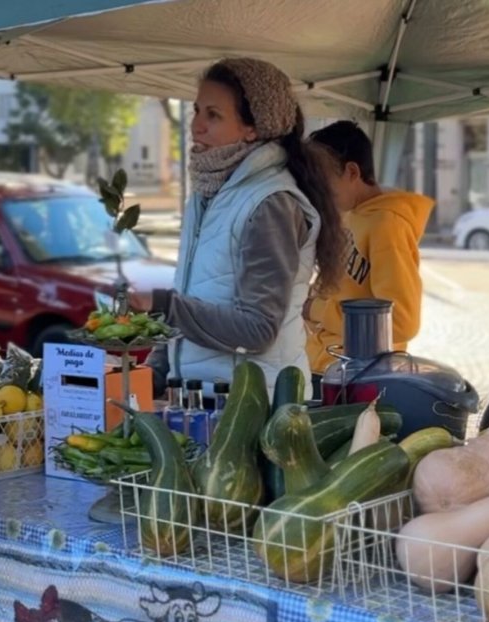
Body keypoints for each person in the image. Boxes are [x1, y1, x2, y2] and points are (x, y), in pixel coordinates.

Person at [130, 57, 345, 401]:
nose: (196, 126)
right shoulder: (208, 195)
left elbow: (257, 329)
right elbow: (196, 298)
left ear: (253, 128)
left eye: (213, 115)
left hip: (257, 407)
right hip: (202, 400)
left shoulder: (270, 203)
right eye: (196, 111)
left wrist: (164, 306)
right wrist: (157, 370)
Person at [305, 120, 434, 384]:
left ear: (352, 172)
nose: (318, 192)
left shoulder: (387, 224)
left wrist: (316, 310)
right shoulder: (351, 214)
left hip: (357, 375)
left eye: (323, 181)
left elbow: (401, 321)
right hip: (327, 364)